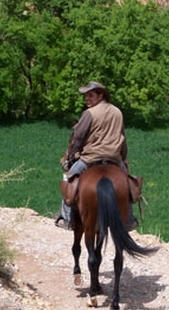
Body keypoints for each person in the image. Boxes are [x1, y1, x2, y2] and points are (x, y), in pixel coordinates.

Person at [55, 81, 138, 229]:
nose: (87, 99)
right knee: (127, 184)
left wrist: (71, 157)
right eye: (86, 96)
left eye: (90, 95)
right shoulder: (118, 112)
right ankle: (129, 220)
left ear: (101, 95)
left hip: (90, 158)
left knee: (69, 178)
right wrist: (123, 158)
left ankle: (66, 219)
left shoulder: (89, 113)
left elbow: (78, 137)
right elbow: (123, 138)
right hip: (114, 159)